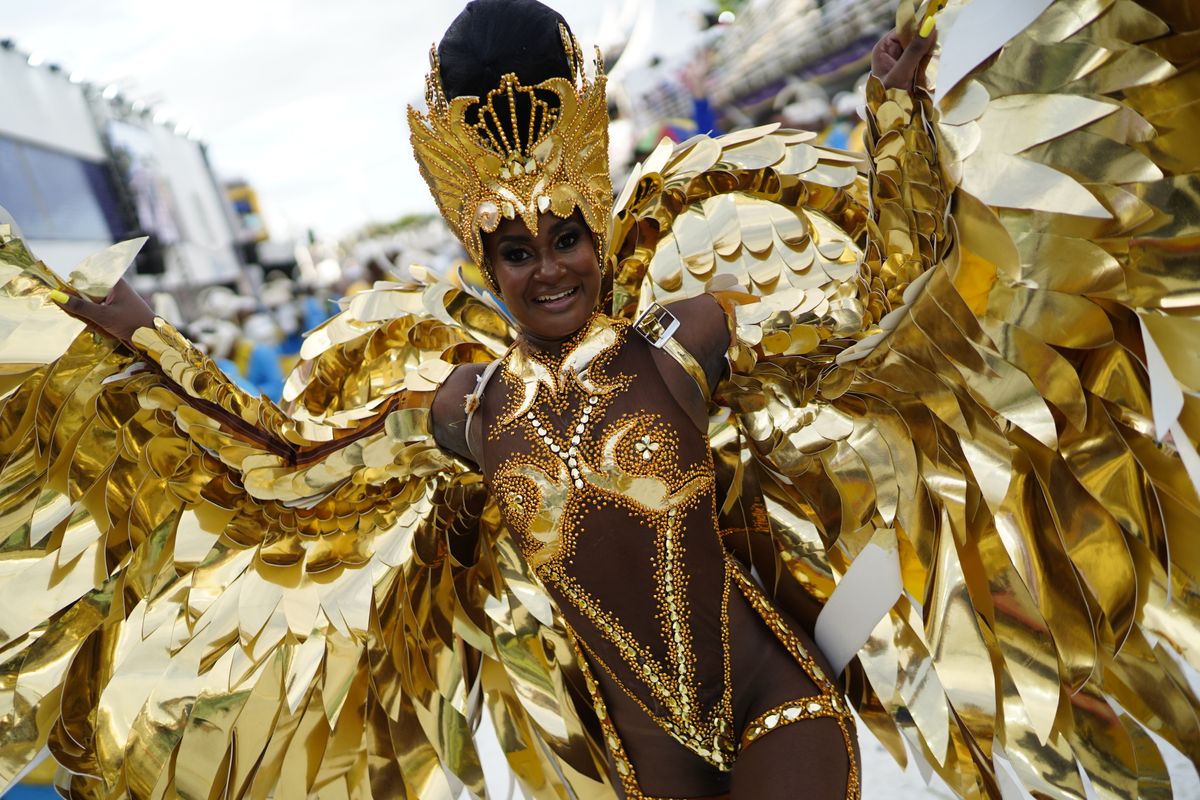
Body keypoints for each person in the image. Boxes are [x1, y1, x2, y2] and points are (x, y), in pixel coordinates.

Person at [4, 1, 1197, 799]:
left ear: (597, 220)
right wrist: (145, 335)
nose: (550, 266)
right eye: (515, 250)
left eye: (566, 234)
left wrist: (896, 119)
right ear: (483, 262)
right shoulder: (467, 409)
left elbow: (888, 321)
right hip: (634, 768)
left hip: (780, 709)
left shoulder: (685, 338)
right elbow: (285, 457)